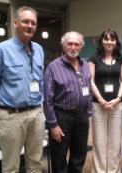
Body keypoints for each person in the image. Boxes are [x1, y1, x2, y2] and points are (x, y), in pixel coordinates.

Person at [0, 6, 45, 173]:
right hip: (12, 117)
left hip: (36, 114)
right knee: (11, 167)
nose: (30, 26)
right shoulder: (1, 50)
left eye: (33, 23)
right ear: (15, 23)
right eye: (25, 21)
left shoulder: (39, 50)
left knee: (35, 163)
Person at [43, 31, 92, 173]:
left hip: (82, 117)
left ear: (81, 46)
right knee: (59, 156)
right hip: (62, 117)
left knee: (79, 154)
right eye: (69, 43)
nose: (73, 47)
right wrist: (53, 125)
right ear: (64, 45)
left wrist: (88, 112)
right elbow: (47, 99)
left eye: (76, 44)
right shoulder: (53, 67)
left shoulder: (85, 65)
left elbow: (88, 87)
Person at [89, 29, 122, 173]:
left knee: (115, 142)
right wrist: (101, 100)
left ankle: (113, 170)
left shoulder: (121, 59)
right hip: (98, 105)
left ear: (116, 42)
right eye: (106, 39)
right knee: (99, 141)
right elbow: (90, 80)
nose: (109, 42)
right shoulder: (94, 58)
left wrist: (117, 99)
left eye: (112, 39)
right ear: (102, 41)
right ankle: (99, 170)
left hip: (116, 106)